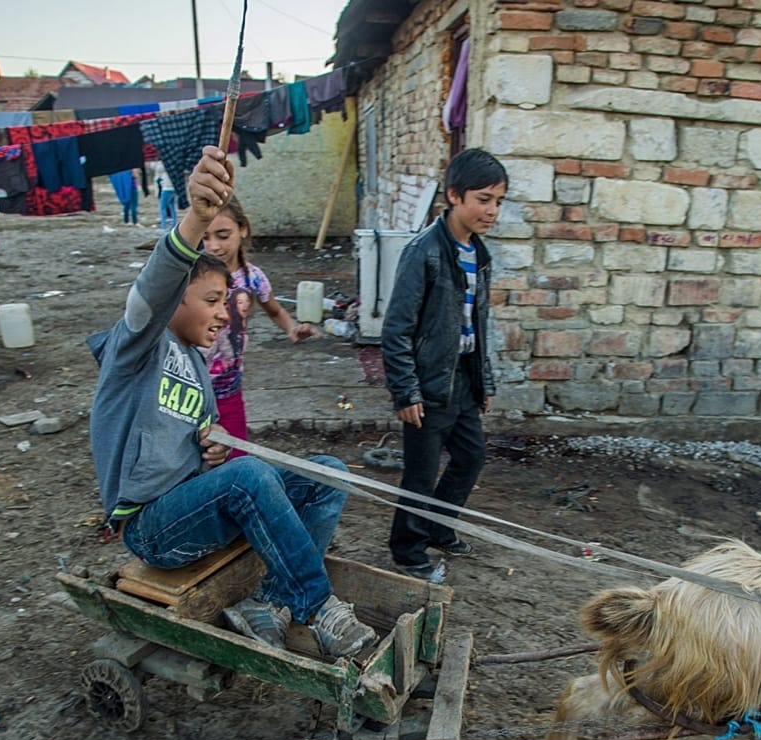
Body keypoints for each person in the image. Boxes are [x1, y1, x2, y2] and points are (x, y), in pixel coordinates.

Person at [87, 144, 376, 658]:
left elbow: (192, 451)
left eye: (227, 301)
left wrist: (208, 452)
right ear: (172, 302)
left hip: (190, 511)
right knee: (251, 474)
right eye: (213, 301)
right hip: (152, 531)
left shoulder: (198, 366)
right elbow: (151, 288)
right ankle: (318, 606)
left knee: (329, 470)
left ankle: (269, 603)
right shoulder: (135, 349)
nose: (225, 315)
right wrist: (196, 218)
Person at [381, 148, 507, 583]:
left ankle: (438, 527)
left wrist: (483, 380)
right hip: (428, 384)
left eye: (498, 201)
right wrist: (405, 391)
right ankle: (408, 549)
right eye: (483, 199)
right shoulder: (425, 252)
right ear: (454, 195)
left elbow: (478, 323)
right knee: (419, 473)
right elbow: (396, 327)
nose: (491, 210)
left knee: (471, 457)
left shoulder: (480, 254)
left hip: (463, 380)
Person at [201, 196, 317, 458]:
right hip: (192, 387)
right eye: (205, 237)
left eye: (222, 235)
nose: (213, 246)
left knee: (235, 457)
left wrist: (292, 328)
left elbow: (274, 309)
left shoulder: (252, 277)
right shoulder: (192, 276)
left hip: (228, 387)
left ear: (243, 229)